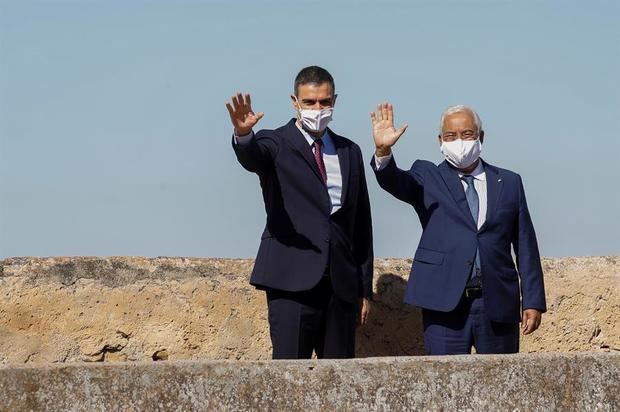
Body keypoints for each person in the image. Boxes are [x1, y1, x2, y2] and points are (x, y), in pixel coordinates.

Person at [369, 103, 546, 355]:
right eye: (451, 136)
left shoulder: (509, 182)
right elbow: (394, 180)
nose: (459, 141)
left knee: (498, 386)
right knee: (444, 386)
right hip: (444, 303)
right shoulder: (428, 176)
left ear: (480, 137)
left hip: (496, 302)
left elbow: (525, 245)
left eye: (467, 134)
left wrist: (532, 300)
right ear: (440, 141)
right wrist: (383, 150)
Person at [226, 66, 373, 359]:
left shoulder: (349, 151)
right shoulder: (275, 142)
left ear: (334, 101)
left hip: (340, 287)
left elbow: (360, 224)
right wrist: (243, 134)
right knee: (289, 378)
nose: (317, 108)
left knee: (340, 383)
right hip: (290, 281)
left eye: (324, 102)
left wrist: (364, 289)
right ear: (295, 101)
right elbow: (252, 156)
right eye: (309, 102)